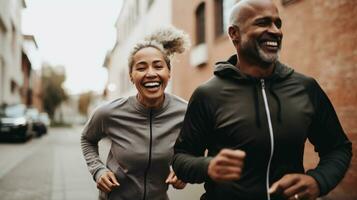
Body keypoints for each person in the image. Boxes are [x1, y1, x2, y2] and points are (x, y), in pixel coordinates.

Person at [172, 0, 352, 200]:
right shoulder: (208, 94)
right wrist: (207, 166)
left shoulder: (305, 88)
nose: (276, 31)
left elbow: (338, 148)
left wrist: (319, 181)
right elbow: (181, 158)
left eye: (278, 24)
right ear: (234, 34)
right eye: (263, 23)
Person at [81, 26, 190, 200]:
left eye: (158, 66)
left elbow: (196, 148)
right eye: (141, 68)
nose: (151, 73)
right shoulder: (109, 112)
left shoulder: (185, 112)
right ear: (131, 76)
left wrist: (185, 171)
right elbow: (87, 139)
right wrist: (98, 170)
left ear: (168, 73)